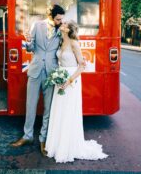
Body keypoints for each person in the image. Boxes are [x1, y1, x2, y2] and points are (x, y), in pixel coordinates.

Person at [45, 20, 108, 163]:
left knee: (68, 112)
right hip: (60, 79)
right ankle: (56, 144)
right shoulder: (61, 41)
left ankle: (67, 147)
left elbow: (82, 66)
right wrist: (58, 77)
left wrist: (68, 81)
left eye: (65, 24)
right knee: (59, 111)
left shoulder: (74, 43)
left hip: (71, 81)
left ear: (68, 29)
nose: (62, 24)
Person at [10, 4, 65, 156]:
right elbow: (31, 48)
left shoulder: (62, 29)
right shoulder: (37, 25)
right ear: (50, 17)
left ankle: (43, 139)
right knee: (30, 105)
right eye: (58, 19)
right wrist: (27, 41)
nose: (61, 21)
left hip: (51, 73)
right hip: (35, 71)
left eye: (62, 19)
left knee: (48, 108)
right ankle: (27, 136)